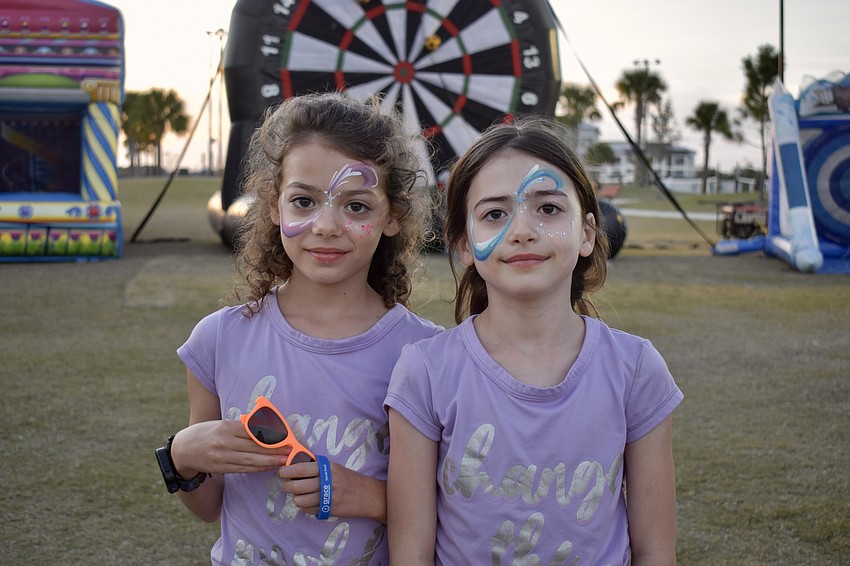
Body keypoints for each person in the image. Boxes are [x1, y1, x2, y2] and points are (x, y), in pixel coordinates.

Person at [385, 117, 683, 565]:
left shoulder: (636, 368)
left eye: (547, 209)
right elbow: (411, 553)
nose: (522, 230)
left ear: (586, 233)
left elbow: (656, 553)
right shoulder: (426, 372)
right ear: (465, 244)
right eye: (494, 214)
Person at [161, 92, 441, 565]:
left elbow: (454, 511)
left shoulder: (427, 354)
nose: (326, 225)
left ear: (392, 216)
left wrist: (367, 495)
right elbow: (207, 506)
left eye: (356, 206)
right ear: (274, 206)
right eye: (304, 201)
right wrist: (183, 456)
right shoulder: (219, 340)